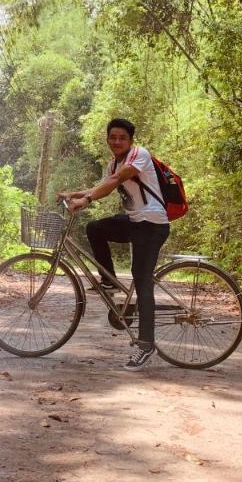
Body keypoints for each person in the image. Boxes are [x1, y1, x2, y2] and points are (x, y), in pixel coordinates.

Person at [58, 118, 170, 370]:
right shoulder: (114, 162)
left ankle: (146, 344)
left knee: (141, 280)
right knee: (95, 228)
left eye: (122, 138)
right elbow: (105, 186)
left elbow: (118, 179)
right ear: (107, 139)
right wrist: (75, 194)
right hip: (134, 221)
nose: (117, 141)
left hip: (152, 224)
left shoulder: (139, 155)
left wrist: (85, 201)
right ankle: (108, 281)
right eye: (113, 137)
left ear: (130, 141)